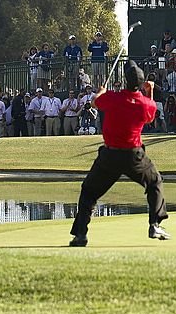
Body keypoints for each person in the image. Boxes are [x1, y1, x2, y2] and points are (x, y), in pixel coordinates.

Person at [69, 61, 169, 246]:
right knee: (155, 182)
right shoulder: (144, 103)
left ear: (125, 80)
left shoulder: (112, 98)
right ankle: (154, 224)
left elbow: (94, 102)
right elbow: (151, 114)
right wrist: (150, 91)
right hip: (134, 155)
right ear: (141, 84)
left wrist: (100, 91)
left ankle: (80, 234)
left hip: (110, 156)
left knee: (89, 192)